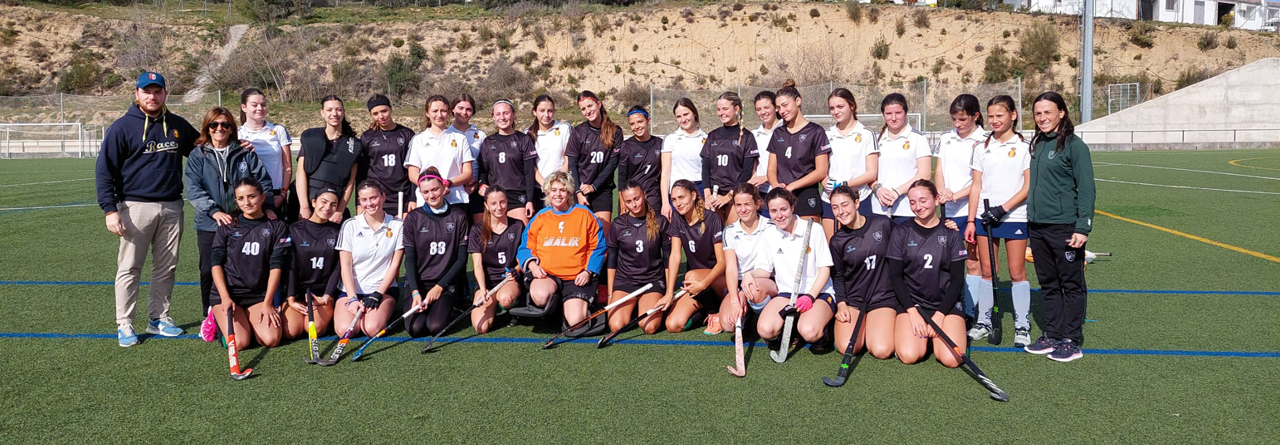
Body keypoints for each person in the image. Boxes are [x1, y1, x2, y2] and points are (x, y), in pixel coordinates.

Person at [96, 71, 198, 347]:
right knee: (130, 267)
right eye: (147, 91)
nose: (152, 96)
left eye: (157, 91)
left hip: (172, 206)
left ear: (165, 94)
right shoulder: (122, 128)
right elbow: (105, 172)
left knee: (167, 267)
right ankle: (125, 324)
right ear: (137, 94)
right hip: (134, 207)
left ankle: (158, 319)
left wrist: (237, 142)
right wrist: (110, 210)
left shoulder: (177, 125)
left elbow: (204, 147)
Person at [1023, 91, 1095, 362]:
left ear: (1062, 113)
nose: (1042, 118)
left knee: (1072, 284)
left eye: (1048, 112)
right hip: (1038, 227)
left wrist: (1082, 228)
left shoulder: (1075, 146)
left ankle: (1071, 340)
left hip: (1065, 228)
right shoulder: (1038, 144)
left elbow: (1086, 189)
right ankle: (1052, 334)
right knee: (1048, 284)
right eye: (1038, 113)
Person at [185, 107, 274, 316]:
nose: (219, 129)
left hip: (242, 223)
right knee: (209, 270)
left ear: (231, 128)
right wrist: (213, 211)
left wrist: (267, 207)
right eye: (214, 124)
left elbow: (264, 182)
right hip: (210, 223)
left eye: (225, 125)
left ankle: (243, 312)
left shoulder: (244, 151)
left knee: (241, 269)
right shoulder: (198, 155)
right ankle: (210, 315)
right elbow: (193, 189)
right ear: (207, 127)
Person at [964, 95, 1032, 347]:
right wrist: (971, 220)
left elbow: (1028, 186)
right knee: (987, 270)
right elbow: (976, 186)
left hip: (1014, 215)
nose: (994, 120)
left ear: (1013, 115)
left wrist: (1003, 208)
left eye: (1000, 115)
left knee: (1016, 272)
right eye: (990, 116)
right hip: (985, 217)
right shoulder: (981, 147)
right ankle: (983, 321)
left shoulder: (1025, 147)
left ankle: (1022, 325)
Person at [888, 180, 969, 368]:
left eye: (923, 200)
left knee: (951, 360)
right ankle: (924, 336)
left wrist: (940, 315)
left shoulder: (951, 233)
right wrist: (912, 312)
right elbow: (896, 277)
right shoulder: (901, 231)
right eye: (912, 202)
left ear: (936, 199)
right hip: (914, 305)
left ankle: (936, 335)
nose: (918, 207)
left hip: (945, 306)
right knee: (909, 355)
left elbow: (957, 281)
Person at [517, 171, 607, 327]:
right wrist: (532, 265)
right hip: (548, 275)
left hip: (577, 277)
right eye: (553, 190)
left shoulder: (585, 215)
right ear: (547, 192)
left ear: (570, 192)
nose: (558, 194)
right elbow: (525, 246)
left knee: (576, 322)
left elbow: (599, 247)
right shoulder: (540, 217)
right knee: (539, 296)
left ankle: (575, 305)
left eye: (562, 190)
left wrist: (588, 271)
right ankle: (557, 306)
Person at [209, 178, 291, 350]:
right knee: (240, 343)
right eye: (241, 198)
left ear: (262, 197)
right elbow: (216, 263)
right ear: (236, 201)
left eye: (252, 196)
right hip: (229, 295)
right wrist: (224, 297)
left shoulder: (277, 226)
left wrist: (268, 302)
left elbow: (276, 266)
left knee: (272, 339)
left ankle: (247, 320)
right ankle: (216, 318)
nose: (247, 202)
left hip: (257, 295)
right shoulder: (228, 226)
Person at [754, 188, 835, 349]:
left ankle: (825, 328)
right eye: (773, 211)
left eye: (783, 209)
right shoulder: (769, 234)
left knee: (809, 331)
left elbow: (825, 268)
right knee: (765, 330)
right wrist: (749, 275)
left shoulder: (814, 229)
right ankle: (792, 326)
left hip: (818, 293)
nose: (779, 215)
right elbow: (764, 269)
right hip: (787, 293)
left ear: (792, 207)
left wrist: (810, 296)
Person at [827, 184, 897, 359]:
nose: (840, 212)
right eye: (835, 207)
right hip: (854, 300)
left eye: (845, 205)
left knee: (881, 350)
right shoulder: (837, 241)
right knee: (846, 347)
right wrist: (841, 304)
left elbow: (910, 238)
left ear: (857, 203)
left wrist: (944, 226)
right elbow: (838, 277)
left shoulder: (882, 224)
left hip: (882, 298)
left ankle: (876, 329)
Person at [401, 169, 471, 337]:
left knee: (435, 327)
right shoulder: (413, 218)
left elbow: (462, 259)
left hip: (445, 284)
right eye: (425, 192)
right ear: (420, 192)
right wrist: (415, 292)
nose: (431, 195)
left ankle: (452, 306)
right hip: (419, 283)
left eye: (434, 189)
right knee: (415, 328)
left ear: (443, 188)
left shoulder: (459, 216)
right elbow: (409, 259)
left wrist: (440, 287)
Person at [935, 94, 985, 321]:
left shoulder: (985, 139)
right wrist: (941, 191)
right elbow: (939, 170)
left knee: (973, 261)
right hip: (947, 208)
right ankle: (949, 303)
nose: (957, 124)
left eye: (963, 119)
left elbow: (979, 181)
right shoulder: (947, 138)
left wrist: (956, 195)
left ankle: (970, 311)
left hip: (970, 210)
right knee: (946, 259)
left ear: (975, 116)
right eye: (954, 119)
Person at [334, 181, 404, 338]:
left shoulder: (398, 225)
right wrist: (352, 298)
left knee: (371, 328)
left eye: (373, 198)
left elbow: (395, 265)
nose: (369, 203)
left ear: (383, 197)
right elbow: (345, 266)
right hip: (350, 291)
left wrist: (378, 294)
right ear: (359, 201)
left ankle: (384, 311)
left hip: (381, 291)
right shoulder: (350, 225)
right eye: (364, 200)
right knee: (345, 330)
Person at [604, 182, 673, 334]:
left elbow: (668, 258)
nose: (634, 204)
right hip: (625, 282)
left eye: (637, 198)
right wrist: (610, 294)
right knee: (616, 326)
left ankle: (643, 306)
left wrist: (669, 292)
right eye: (628, 201)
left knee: (649, 327)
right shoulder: (618, 224)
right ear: (623, 201)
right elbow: (612, 260)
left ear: (644, 195)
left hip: (652, 282)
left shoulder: (660, 221)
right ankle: (635, 306)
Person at [665, 179, 728, 334]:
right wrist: (668, 293)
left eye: (681, 198)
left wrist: (703, 283)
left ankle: (714, 313)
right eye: (674, 199)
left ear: (693, 195)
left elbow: (722, 262)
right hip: (697, 285)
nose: (678, 203)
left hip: (718, 281)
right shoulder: (677, 217)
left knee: (691, 275)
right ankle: (710, 310)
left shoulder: (712, 219)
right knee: (673, 325)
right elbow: (675, 256)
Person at [282, 188, 343, 340]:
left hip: (322, 294)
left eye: (333, 205)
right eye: (324, 202)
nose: (327, 208)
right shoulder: (295, 229)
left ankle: (330, 314)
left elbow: (339, 266)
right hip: (298, 291)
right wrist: (291, 298)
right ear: (314, 202)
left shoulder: (338, 231)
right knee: (291, 331)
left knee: (312, 330)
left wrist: (327, 296)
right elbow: (291, 266)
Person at [766, 79, 830, 223]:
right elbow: (771, 169)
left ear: (798, 101)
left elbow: (821, 171)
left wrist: (793, 186)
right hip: (782, 197)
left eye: (785, 105)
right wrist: (776, 185)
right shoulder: (778, 134)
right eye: (778, 108)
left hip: (807, 196)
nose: (782, 111)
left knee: (806, 244)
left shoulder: (816, 131)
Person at [720, 183, 778, 335]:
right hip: (739, 283)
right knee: (728, 324)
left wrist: (744, 293)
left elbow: (767, 270)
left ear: (758, 204)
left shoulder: (771, 227)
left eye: (747, 204)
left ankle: (764, 316)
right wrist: (734, 300)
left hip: (764, 280)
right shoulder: (730, 231)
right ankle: (750, 315)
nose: (742, 209)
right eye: (738, 205)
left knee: (753, 290)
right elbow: (731, 268)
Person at [295, 95, 362, 224]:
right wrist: (304, 206)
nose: (334, 114)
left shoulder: (354, 145)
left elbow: (350, 182)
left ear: (343, 112)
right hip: (308, 204)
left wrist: (339, 211)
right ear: (322, 112)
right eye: (329, 110)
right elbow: (300, 173)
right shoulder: (311, 137)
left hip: (332, 207)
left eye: (338, 109)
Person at [822, 88, 879, 239]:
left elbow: (871, 173)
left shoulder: (866, 134)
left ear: (852, 106)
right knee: (833, 248)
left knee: (861, 247)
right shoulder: (826, 135)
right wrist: (827, 185)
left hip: (859, 198)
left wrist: (845, 185)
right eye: (832, 108)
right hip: (830, 199)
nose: (835, 112)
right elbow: (820, 170)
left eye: (840, 107)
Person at [468, 186, 525, 333]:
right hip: (488, 283)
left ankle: (513, 307)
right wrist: (481, 289)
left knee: (506, 299)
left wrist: (516, 271)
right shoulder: (477, 230)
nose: (499, 207)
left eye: (502, 202)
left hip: (509, 280)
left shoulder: (518, 225)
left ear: (507, 201)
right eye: (493, 203)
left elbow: (523, 256)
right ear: (486, 206)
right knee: (481, 328)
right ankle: (494, 308)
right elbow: (477, 264)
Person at [566, 90, 622, 233]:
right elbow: (572, 165)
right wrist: (578, 192)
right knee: (580, 236)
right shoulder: (578, 132)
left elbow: (612, 165)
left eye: (590, 106)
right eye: (583, 109)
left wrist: (595, 186)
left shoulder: (615, 131)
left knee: (602, 237)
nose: (587, 111)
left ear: (599, 104)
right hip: (580, 190)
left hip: (602, 190)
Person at [871, 93, 931, 224]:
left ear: (906, 112)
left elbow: (925, 174)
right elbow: (870, 174)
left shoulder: (918, 139)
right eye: (888, 114)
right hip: (879, 209)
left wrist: (897, 192)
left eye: (898, 113)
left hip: (908, 209)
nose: (893, 118)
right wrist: (878, 189)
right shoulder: (875, 139)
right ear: (883, 115)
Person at [701, 92, 760, 225]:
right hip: (714, 195)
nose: (721, 113)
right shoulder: (712, 136)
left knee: (734, 235)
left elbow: (746, 171)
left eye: (725, 108)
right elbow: (705, 166)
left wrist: (729, 196)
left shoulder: (747, 137)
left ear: (736, 109)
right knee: (715, 239)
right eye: (718, 109)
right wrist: (707, 195)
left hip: (736, 194)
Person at [405, 95, 473, 209]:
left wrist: (447, 183)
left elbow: (468, 173)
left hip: (456, 200)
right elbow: (412, 174)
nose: (439, 115)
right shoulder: (418, 140)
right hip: (427, 203)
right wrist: (432, 189)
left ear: (449, 112)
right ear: (427, 113)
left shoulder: (460, 138)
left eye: (443, 111)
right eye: (435, 111)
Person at [476, 99, 538, 223]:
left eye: (506, 113)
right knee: (495, 238)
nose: (502, 117)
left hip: (517, 196)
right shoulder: (488, 142)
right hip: (495, 196)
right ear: (493, 117)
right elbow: (483, 171)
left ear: (513, 114)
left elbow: (529, 173)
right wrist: (482, 184)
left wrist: (530, 200)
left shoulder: (523, 140)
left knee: (521, 236)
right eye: (498, 114)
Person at [358, 94, 417, 217]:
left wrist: (413, 198)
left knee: (401, 234)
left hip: (401, 195)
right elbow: (361, 172)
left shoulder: (406, 134)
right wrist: (358, 203)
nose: (381, 116)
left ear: (391, 109)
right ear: (371, 115)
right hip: (376, 196)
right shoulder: (367, 137)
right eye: (375, 113)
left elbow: (414, 167)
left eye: (384, 111)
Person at [238, 88, 293, 214]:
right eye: (254, 105)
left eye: (263, 105)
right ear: (244, 107)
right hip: (248, 197)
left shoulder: (278, 130)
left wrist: (283, 194)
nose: (260, 108)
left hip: (275, 193)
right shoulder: (237, 134)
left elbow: (287, 166)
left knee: (278, 232)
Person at [660, 98, 707, 219]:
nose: (683, 119)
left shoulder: (706, 138)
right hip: (677, 191)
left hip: (700, 189)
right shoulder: (670, 139)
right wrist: (665, 202)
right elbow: (665, 173)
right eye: (679, 116)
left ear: (694, 113)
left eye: (686, 114)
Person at [445, 93, 488, 223]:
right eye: (460, 108)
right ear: (452, 109)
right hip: (453, 190)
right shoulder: (445, 134)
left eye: (468, 109)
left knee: (479, 230)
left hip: (476, 189)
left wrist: (478, 184)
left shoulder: (480, 135)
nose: (464, 112)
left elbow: (484, 164)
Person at [526, 94, 573, 208]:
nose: (546, 115)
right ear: (534, 112)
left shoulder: (564, 128)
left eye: (550, 111)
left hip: (560, 189)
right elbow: (530, 165)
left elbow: (568, 158)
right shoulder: (528, 133)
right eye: (542, 111)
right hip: (539, 189)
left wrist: (557, 184)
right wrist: (545, 184)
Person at [617, 106, 663, 212]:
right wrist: (623, 203)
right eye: (632, 124)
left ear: (648, 121)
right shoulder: (626, 146)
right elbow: (621, 179)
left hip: (653, 198)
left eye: (640, 122)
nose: (636, 126)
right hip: (632, 198)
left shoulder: (659, 143)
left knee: (653, 228)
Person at [750, 91, 781, 192]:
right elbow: (754, 162)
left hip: (782, 188)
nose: (763, 112)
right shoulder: (754, 135)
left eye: (766, 107)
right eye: (758, 109)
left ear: (776, 107)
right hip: (761, 192)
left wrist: (767, 177)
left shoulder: (787, 131)